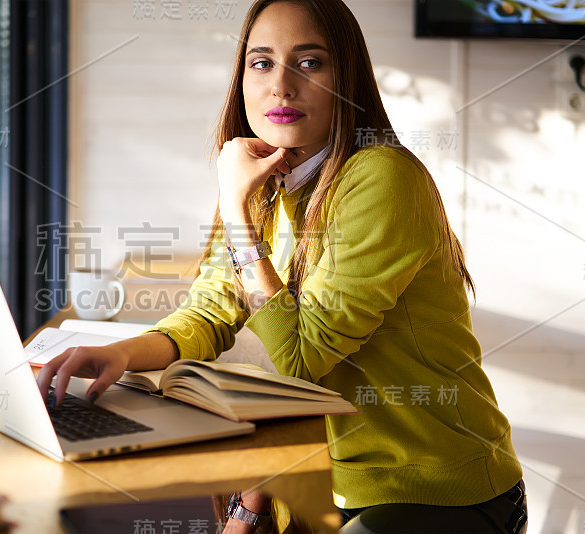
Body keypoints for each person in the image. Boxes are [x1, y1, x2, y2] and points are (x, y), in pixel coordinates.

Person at [37, 1, 528, 532]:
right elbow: (211, 310)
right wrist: (117, 354)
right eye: (262, 62)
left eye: (310, 62)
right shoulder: (266, 182)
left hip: (434, 489)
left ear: (348, 78)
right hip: (320, 481)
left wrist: (235, 211)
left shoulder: (383, 178)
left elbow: (295, 360)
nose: (282, 86)